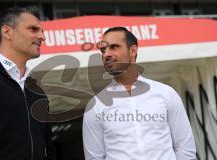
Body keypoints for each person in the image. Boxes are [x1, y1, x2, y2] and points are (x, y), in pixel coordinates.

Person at [82, 26, 196, 160]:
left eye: (113, 47)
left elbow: (184, 147)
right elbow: (94, 158)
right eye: (103, 50)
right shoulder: (95, 106)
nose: (106, 54)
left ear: (133, 51)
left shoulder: (165, 93)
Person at [0, 7, 56, 160]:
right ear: (7, 32)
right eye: (33, 29)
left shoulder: (38, 92)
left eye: (42, 31)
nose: (42, 37)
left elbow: (48, 146)